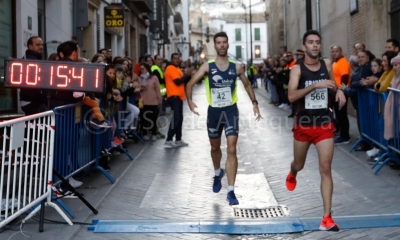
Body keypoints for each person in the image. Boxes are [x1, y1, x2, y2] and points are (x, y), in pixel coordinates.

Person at [186, 32, 262, 205]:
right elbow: (190, 84)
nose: (221, 45)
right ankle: (217, 172)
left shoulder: (236, 67)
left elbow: (247, 84)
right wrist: (190, 101)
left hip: (230, 111)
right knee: (214, 148)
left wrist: (255, 102)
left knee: (232, 149)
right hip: (214, 113)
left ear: (228, 45)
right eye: (218, 42)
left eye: (224, 42)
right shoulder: (207, 66)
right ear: (215, 45)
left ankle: (231, 191)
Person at [286, 30, 346, 231]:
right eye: (310, 42)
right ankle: (293, 172)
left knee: (325, 168)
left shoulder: (327, 64)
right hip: (303, 125)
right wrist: (315, 86)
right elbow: (292, 97)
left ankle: (327, 217)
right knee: (299, 164)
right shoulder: (297, 69)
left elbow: (332, 85)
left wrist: (339, 93)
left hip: (324, 125)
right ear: (304, 47)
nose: (314, 46)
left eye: (317, 42)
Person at [164, 53, 194, 148]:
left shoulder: (178, 69)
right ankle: (169, 139)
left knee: (179, 119)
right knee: (176, 119)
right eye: (175, 58)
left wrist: (188, 75)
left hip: (179, 97)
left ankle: (178, 139)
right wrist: (187, 74)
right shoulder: (170, 68)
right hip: (174, 96)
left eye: (178, 58)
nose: (177, 60)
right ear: (171, 59)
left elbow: (184, 81)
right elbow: (178, 82)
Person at [20, 36, 47, 115]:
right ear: (30, 46)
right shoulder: (31, 61)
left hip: (30, 100)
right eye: (38, 45)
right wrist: (44, 97)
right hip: (31, 101)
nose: (41, 47)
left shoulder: (32, 58)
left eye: (42, 45)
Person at [331, 45, 351, 145]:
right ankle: (341, 132)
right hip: (336, 92)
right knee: (338, 114)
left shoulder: (342, 62)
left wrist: (341, 91)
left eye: (336, 51)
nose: (334, 53)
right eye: (333, 51)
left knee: (342, 114)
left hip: (341, 92)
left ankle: (345, 136)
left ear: (341, 51)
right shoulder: (336, 62)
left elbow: (345, 77)